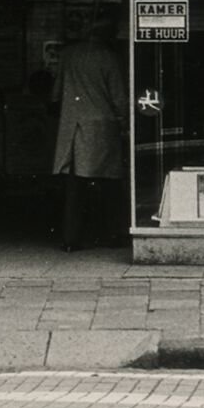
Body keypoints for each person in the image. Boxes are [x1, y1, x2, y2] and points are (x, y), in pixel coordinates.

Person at [52, 17, 129, 250]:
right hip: (101, 126)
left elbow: (56, 93)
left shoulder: (67, 55)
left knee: (75, 186)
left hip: (71, 124)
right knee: (109, 183)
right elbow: (118, 96)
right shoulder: (108, 57)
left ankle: (70, 238)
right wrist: (125, 121)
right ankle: (112, 234)